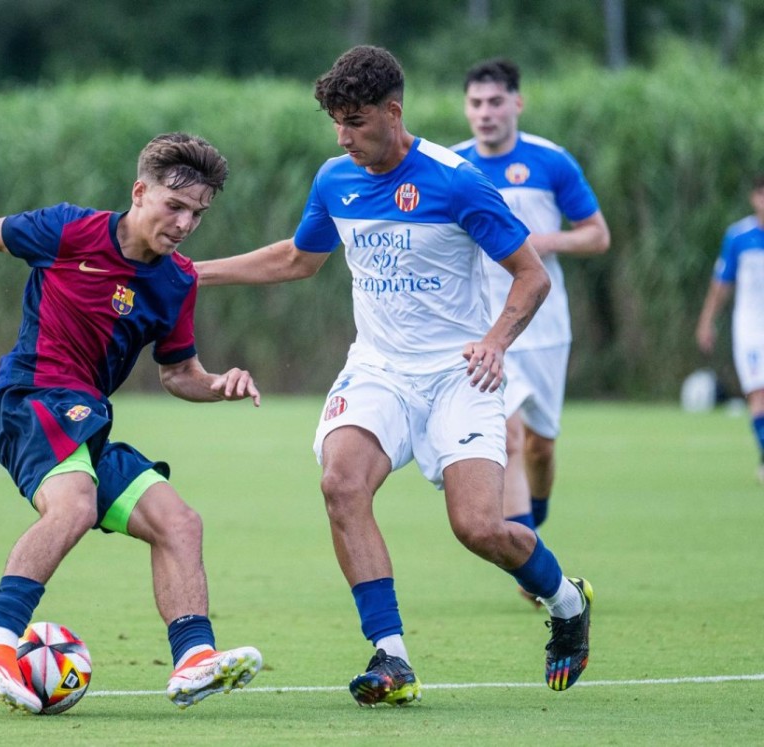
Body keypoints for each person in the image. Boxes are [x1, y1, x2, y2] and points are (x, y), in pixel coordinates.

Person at [194, 45, 592, 705]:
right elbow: (297, 259)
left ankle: (567, 601)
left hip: (458, 375)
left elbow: (533, 273)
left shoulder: (456, 179)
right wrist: (193, 273)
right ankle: (392, 655)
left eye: (356, 121)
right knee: (340, 483)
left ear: (393, 111)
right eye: (336, 124)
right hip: (379, 369)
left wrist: (496, 342)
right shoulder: (334, 179)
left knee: (479, 528)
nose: (345, 137)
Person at [0, 132, 264, 714]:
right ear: (139, 191)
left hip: (87, 418)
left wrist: (217, 385)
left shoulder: (178, 281)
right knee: (73, 504)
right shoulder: (72, 229)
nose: (185, 223)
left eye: (197, 213)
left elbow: (178, 374)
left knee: (179, 522)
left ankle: (194, 657)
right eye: (174, 206)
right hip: (31, 397)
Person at [453, 58, 610, 605]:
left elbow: (596, 236)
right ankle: (531, 567)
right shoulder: (454, 167)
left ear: (516, 103)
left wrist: (542, 243)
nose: (485, 113)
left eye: (496, 102)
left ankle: (530, 525)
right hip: (483, 328)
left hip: (544, 327)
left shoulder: (550, 161)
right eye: (475, 103)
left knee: (541, 446)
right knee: (512, 436)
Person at [695, 174, 764, 483]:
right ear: (754, 198)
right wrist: (707, 321)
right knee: (757, 393)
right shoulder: (739, 236)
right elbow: (721, 285)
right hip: (751, 326)